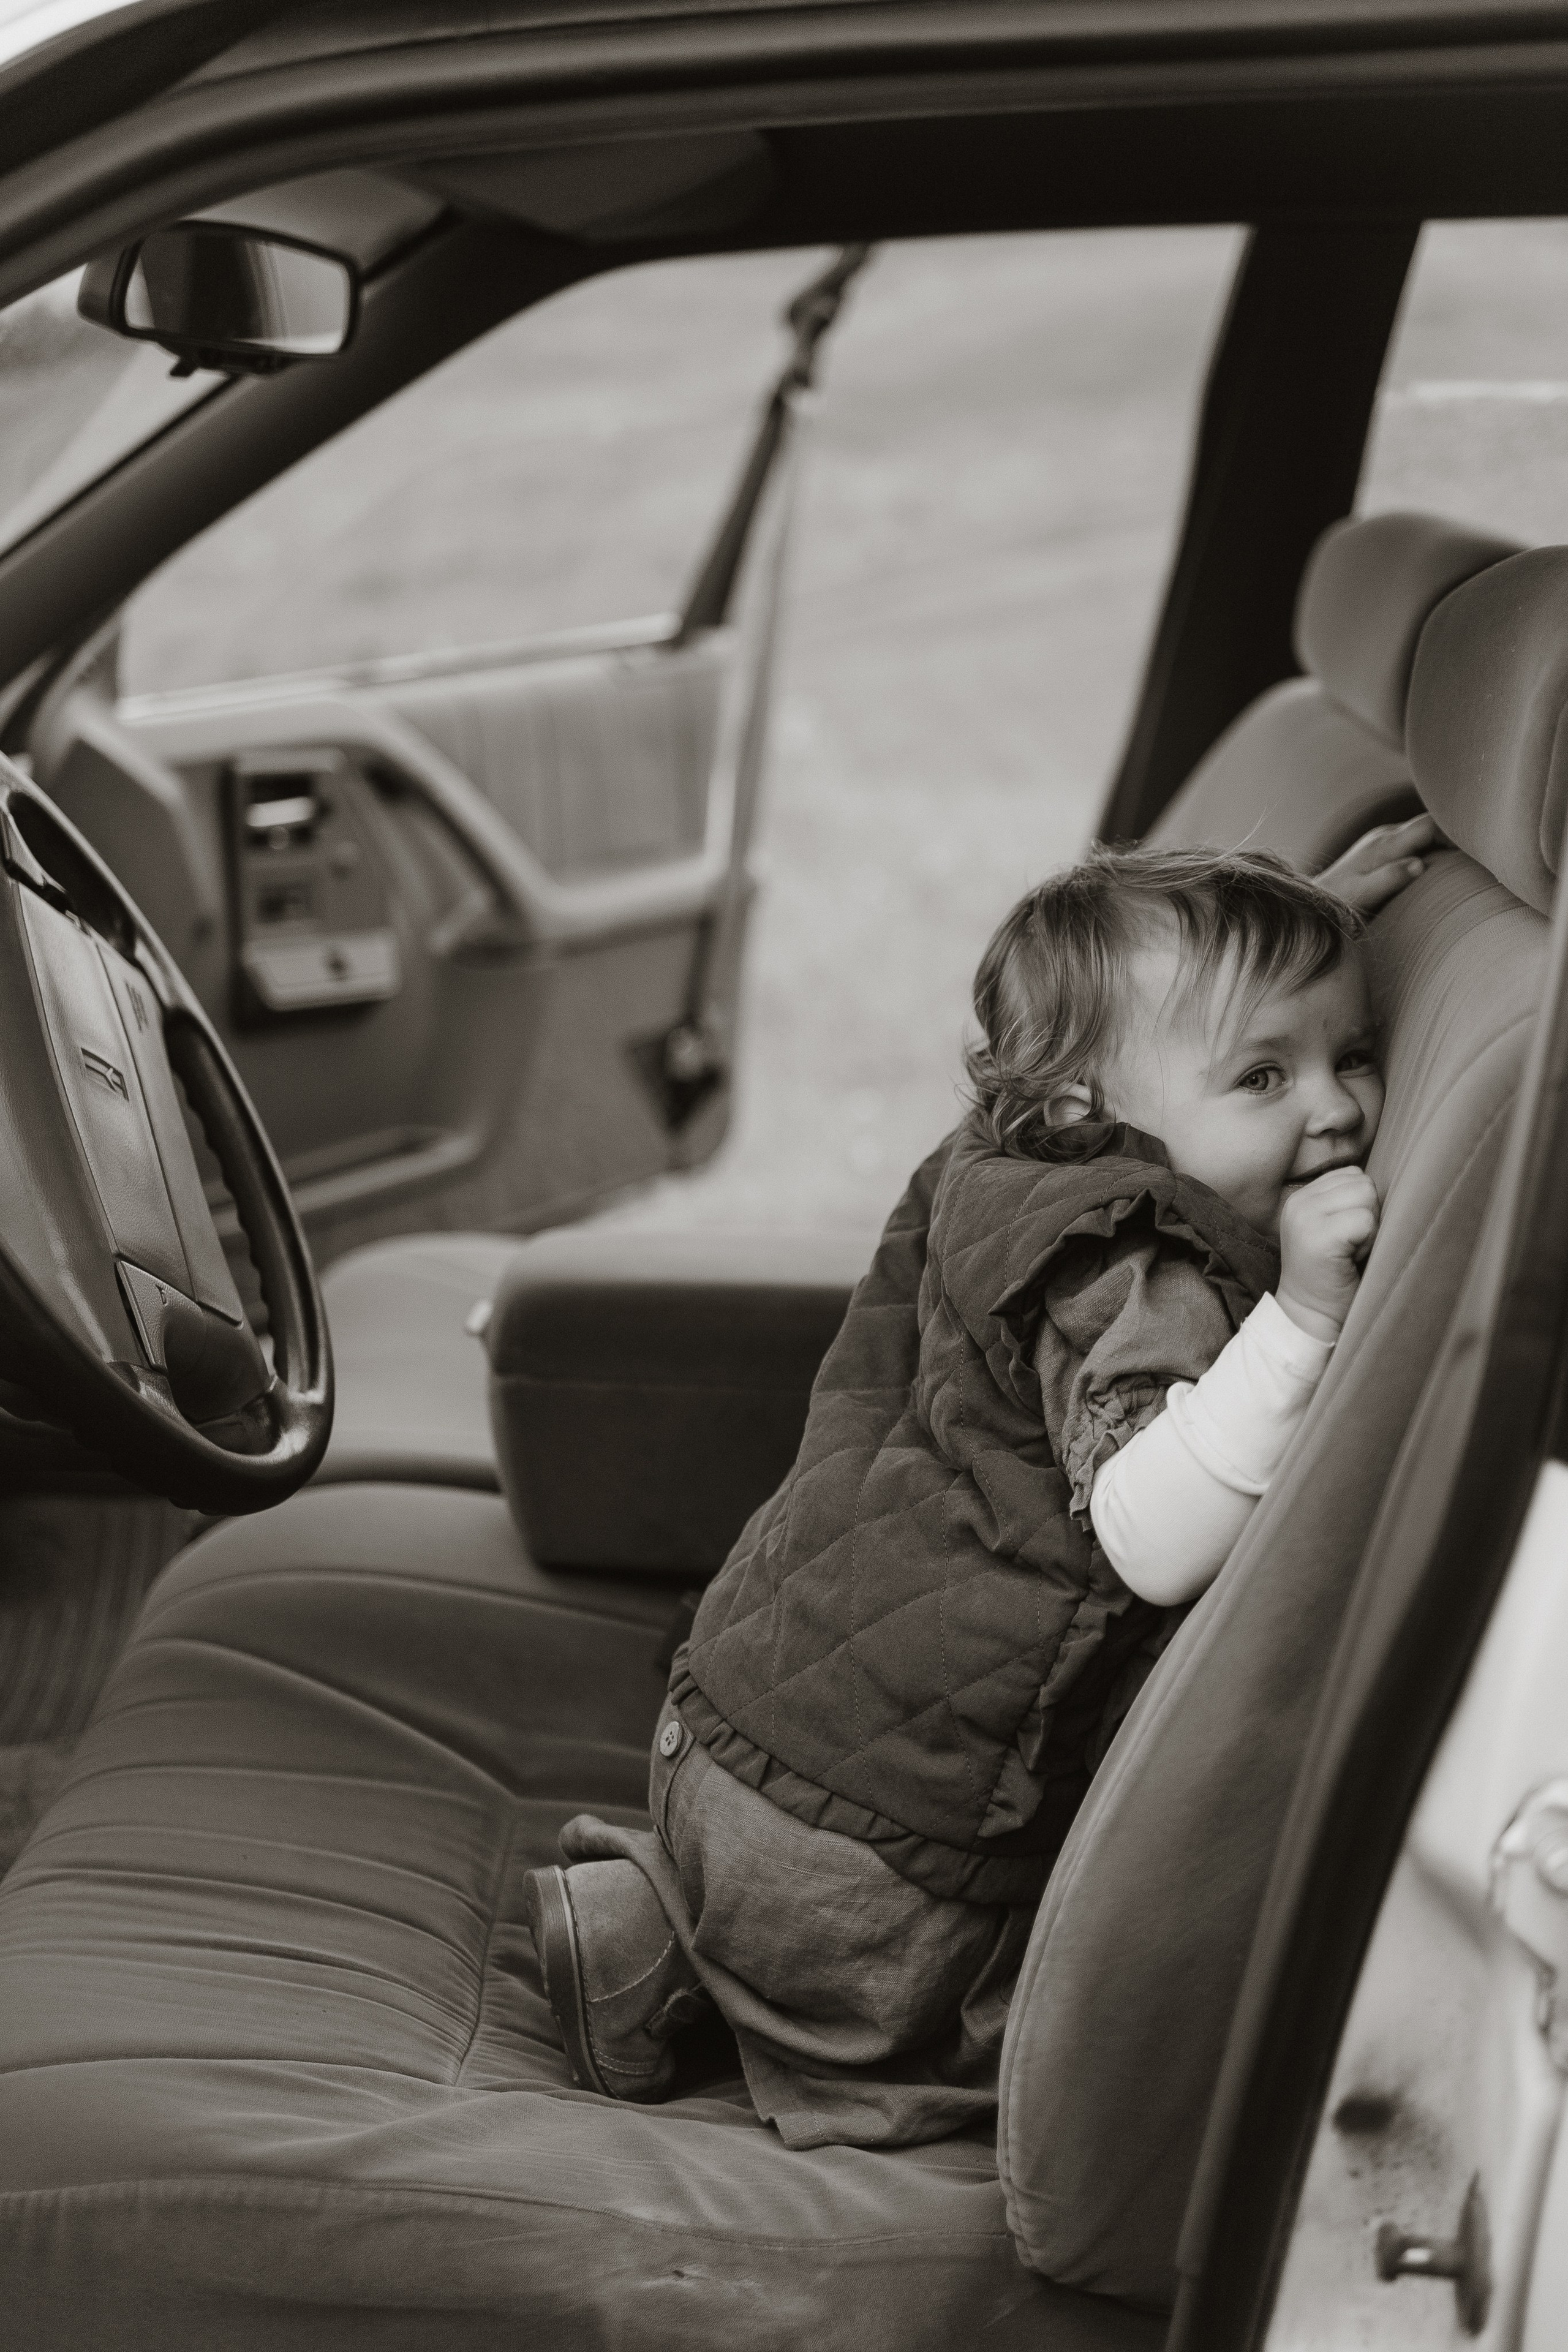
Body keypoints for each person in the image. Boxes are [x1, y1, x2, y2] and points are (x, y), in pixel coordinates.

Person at [522, 815, 1436, 2149]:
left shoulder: (1007, 1157)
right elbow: (1148, 1533)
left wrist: (1300, 964)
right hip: (881, 1859)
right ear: (1086, 1108)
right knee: (1081, 2041)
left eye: (1347, 1056)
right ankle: (706, 1968)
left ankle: (665, 1922)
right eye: (1263, 1079)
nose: (1337, 1107)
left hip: (733, 1736)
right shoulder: (1137, 1270)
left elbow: (1130, 1026)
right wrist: (1301, 1315)